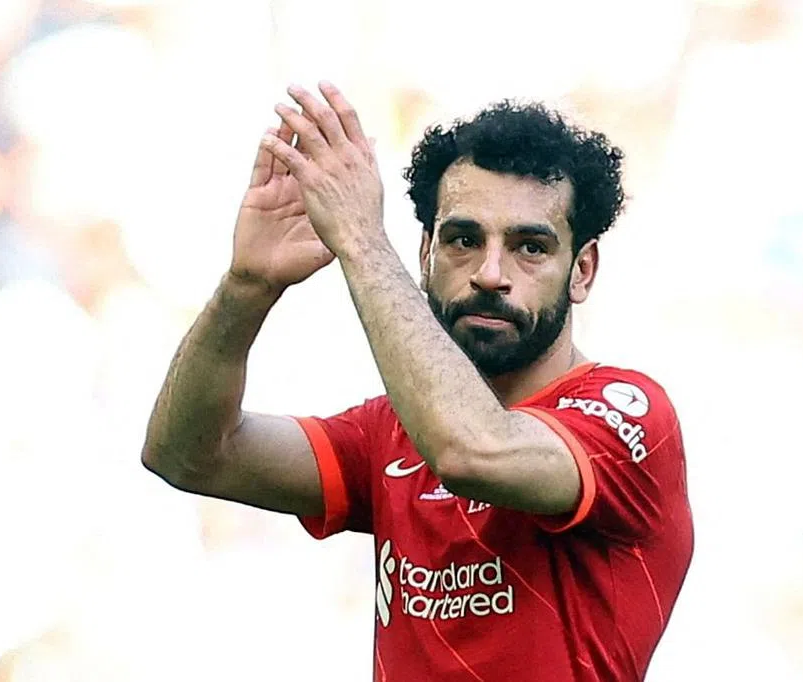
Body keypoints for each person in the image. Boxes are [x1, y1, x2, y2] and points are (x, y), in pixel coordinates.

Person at [142, 81, 694, 681]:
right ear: (427, 252)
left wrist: (361, 241)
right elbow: (187, 455)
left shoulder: (628, 415)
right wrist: (247, 286)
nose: (490, 274)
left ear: (581, 270)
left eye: (530, 247)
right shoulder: (390, 431)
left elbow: (472, 450)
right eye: (464, 240)